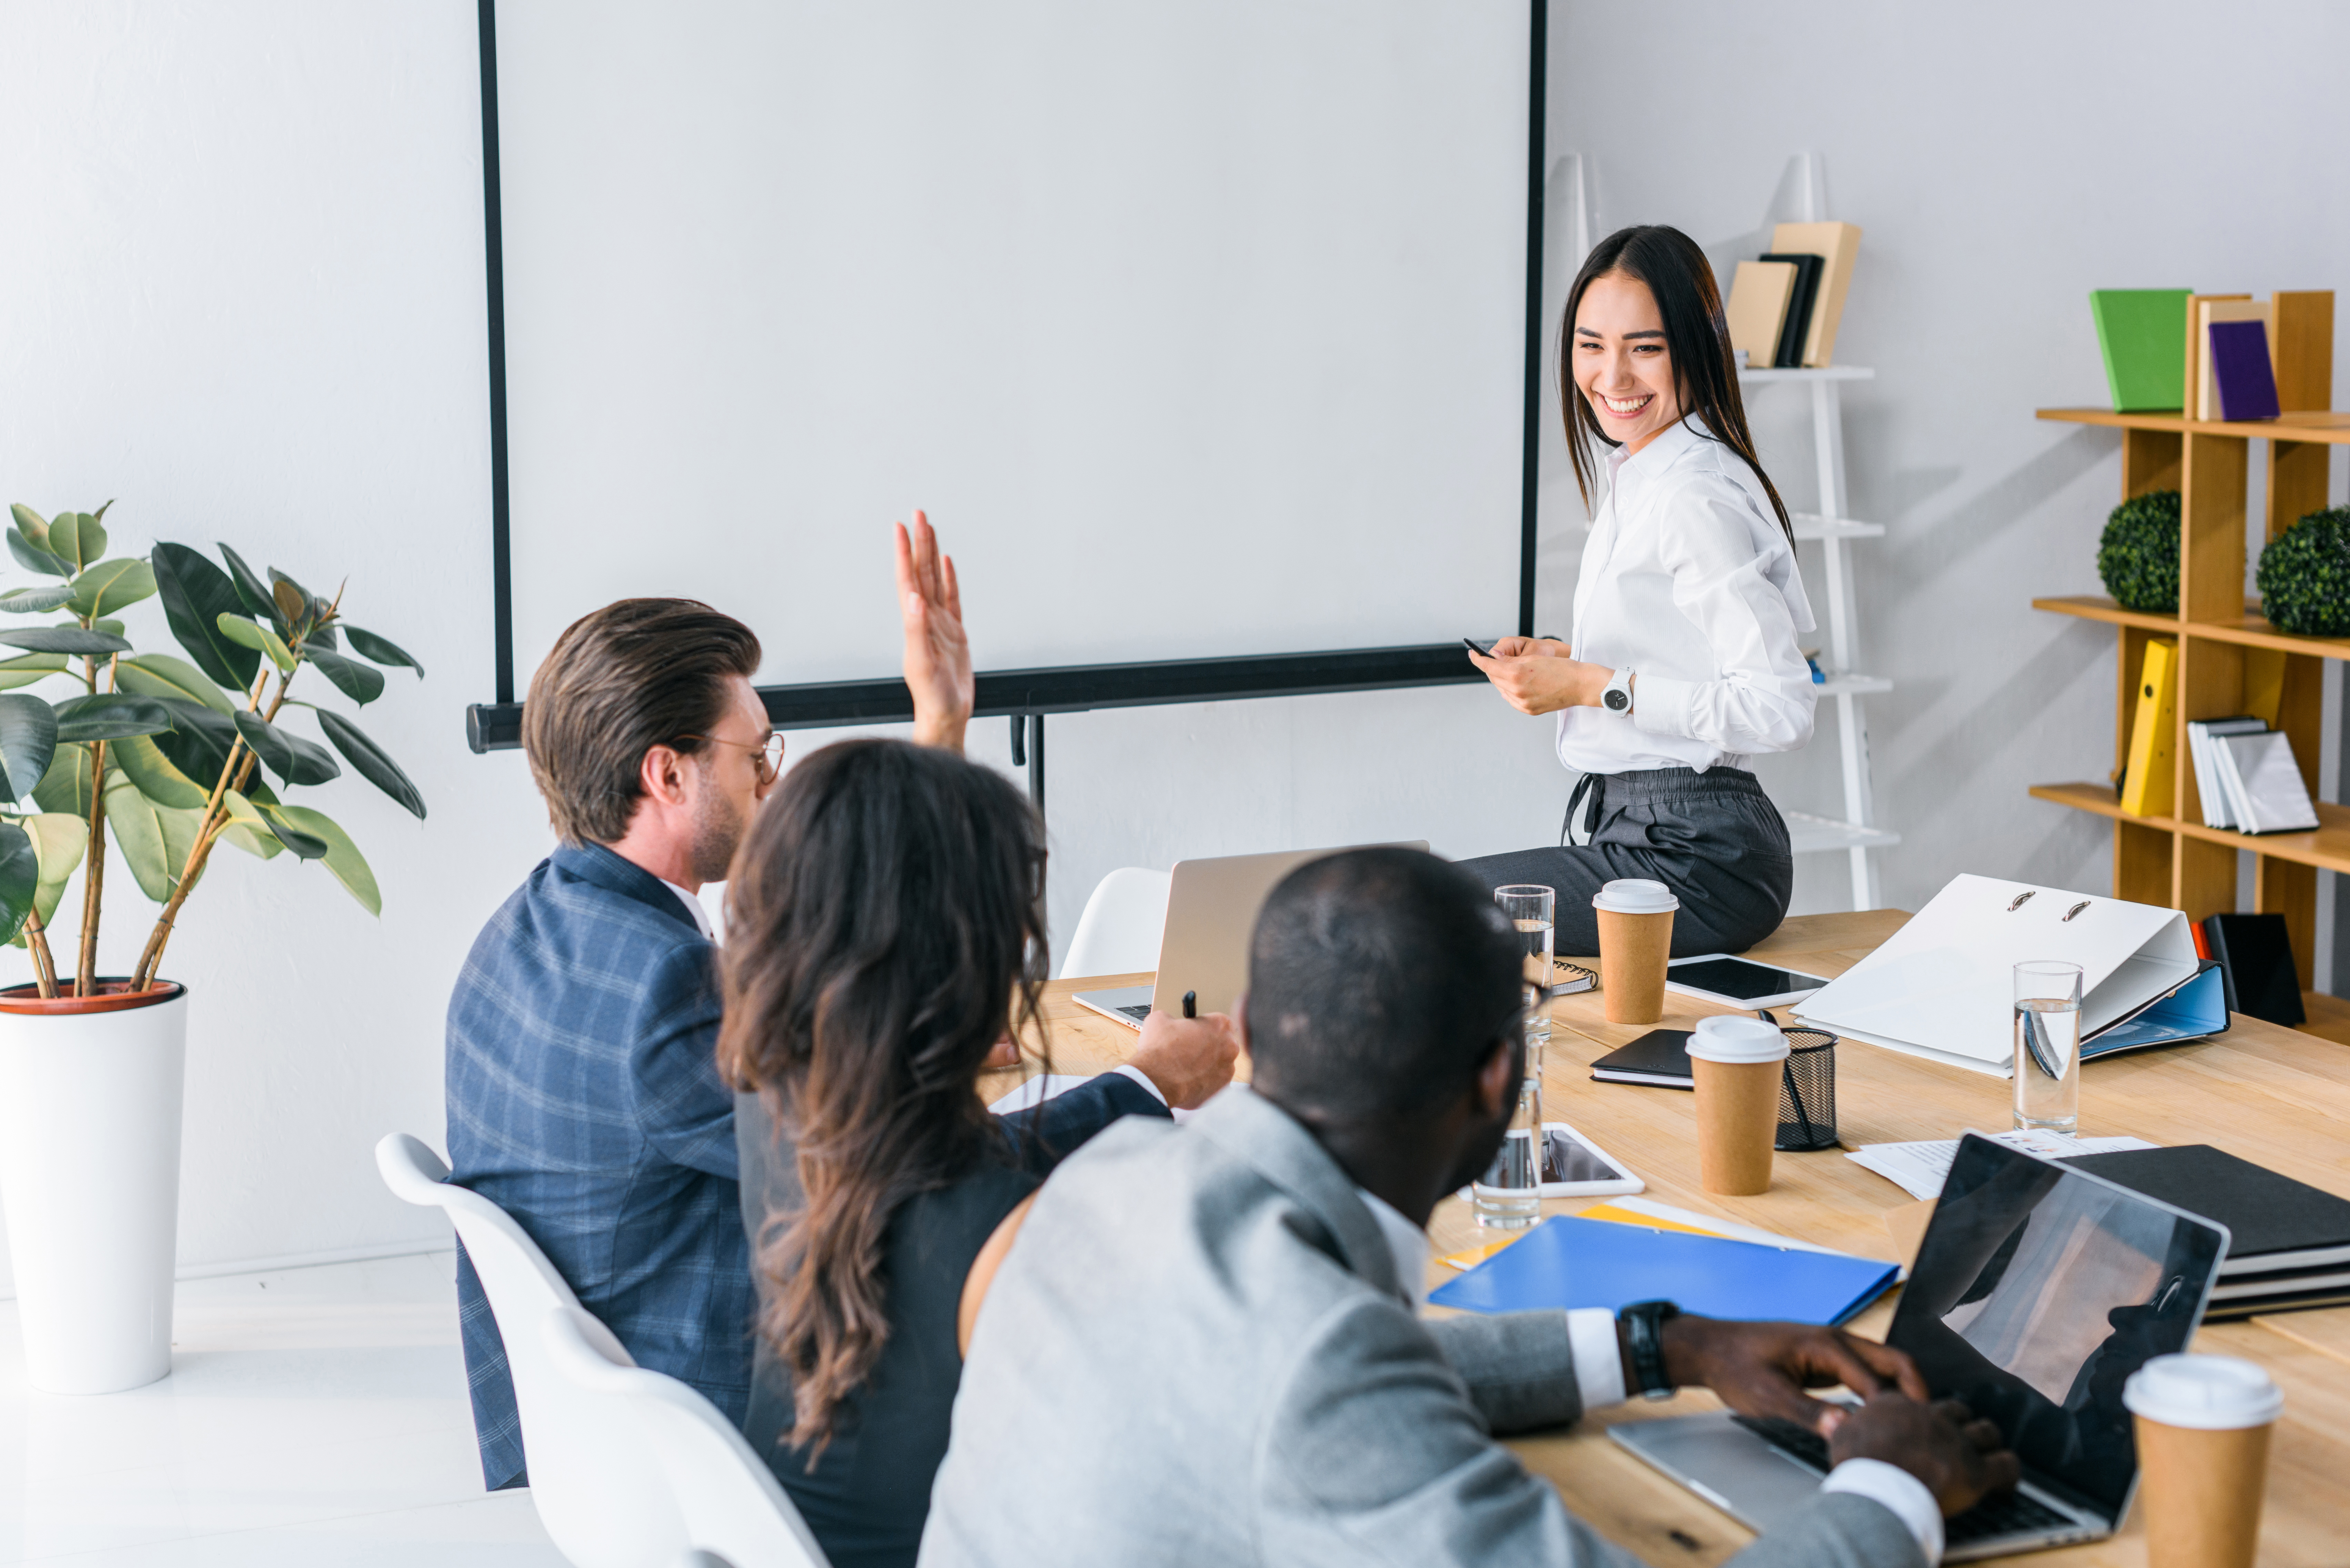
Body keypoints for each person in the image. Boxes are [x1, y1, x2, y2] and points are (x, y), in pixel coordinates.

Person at [921, 848, 2020, 1568]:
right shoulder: (1316, 1366)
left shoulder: (1113, 1177)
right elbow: (1329, 1388)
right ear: (1500, 1078)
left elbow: (1335, 1383)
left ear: (1246, 1029)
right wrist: (1893, 1481)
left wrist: (1661, 1344)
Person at [442, 514, 1232, 1489]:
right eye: (756, 756)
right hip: (728, 1416)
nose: (773, 780)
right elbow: (919, 1189)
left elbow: (750, 1075)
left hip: (597, 1406)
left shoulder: (531, 930)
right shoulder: (662, 988)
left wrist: (937, 731)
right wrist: (1147, 1081)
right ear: (668, 772)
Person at [718, 738, 1241, 1568]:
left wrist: (942, 721)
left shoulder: (778, 1087)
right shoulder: (1011, 1243)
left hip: (787, 1529)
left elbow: (967, 1167)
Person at [1462, 225, 1817, 956]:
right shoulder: (1645, 473)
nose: (1612, 377)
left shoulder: (1692, 494)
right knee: (1416, 906)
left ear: (1697, 348)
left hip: (1698, 855)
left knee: (1418, 909)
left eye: (1645, 348)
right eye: (1591, 346)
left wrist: (1594, 684)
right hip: (1649, 831)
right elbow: (1683, 653)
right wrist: (1569, 663)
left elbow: (1779, 709)